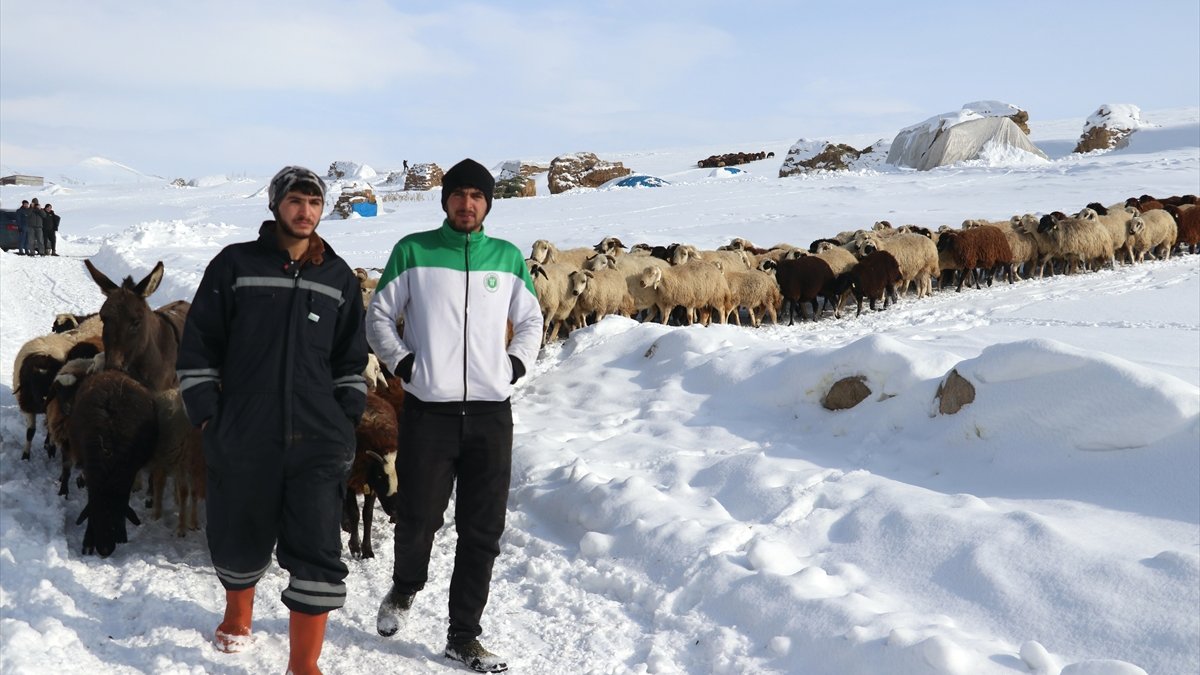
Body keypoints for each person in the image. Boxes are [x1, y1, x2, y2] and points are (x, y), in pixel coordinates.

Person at [176, 166, 368, 675]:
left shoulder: (338, 277)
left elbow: (351, 359)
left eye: (314, 202)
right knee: (238, 536)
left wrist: (345, 419)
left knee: (318, 547)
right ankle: (238, 613)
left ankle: (303, 663)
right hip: (244, 430)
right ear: (276, 205)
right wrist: (208, 417)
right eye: (296, 201)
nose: (306, 211)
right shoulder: (234, 264)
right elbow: (199, 345)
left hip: (319, 436)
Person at [366, 158, 542, 673]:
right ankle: (405, 586)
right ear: (445, 201)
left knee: (482, 529)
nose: (468, 204)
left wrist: (515, 364)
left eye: (477, 196)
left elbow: (531, 319)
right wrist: (403, 364)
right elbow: (379, 315)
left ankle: (464, 636)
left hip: (491, 413)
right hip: (430, 410)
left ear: (488, 204)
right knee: (418, 517)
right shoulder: (413, 251)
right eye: (459, 194)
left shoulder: (507, 257)